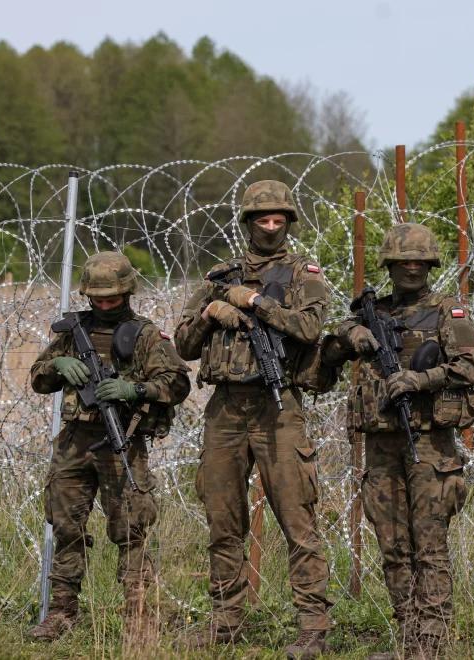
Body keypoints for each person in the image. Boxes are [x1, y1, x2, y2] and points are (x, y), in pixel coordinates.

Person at [173, 180, 333, 659]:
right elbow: (183, 345)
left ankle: (313, 627)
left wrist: (256, 302)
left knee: (296, 518)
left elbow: (309, 327)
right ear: (247, 223)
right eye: (261, 219)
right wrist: (212, 311)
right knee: (223, 520)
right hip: (225, 408)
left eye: (277, 219)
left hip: (277, 407)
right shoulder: (219, 275)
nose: (270, 226)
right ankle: (226, 621)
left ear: (288, 221)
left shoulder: (304, 274)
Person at [323, 222, 474, 659]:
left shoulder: (445, 312)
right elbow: (327, 354)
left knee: (429, 548)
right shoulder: (372, 315)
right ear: (390, 266)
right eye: (402, 262)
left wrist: (419, 379)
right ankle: (408, 637)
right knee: (393, 546)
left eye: (419, 262)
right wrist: (349, 334)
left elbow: (472, 368)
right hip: (381, 446)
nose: (411, 269)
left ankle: (429, 646)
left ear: (430, 265)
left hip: (429, 446)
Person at [28, 251, 190, 642]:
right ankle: (62, 613)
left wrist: (135, 388)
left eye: (111, 298)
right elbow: (38, 377)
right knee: (66, 526)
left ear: (127, 293)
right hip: (74, 441)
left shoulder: (145, 334)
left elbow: (179, 383)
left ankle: (137, 614)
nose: (103, 305)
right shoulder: (73, 332)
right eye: (97, 299)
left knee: (131, 529)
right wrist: (57, 366)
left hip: (122, 442)